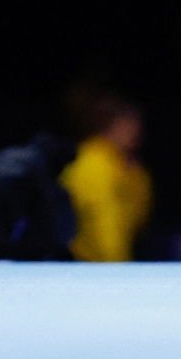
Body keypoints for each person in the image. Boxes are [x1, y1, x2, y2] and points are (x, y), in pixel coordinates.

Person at [60, 95, 153, 262]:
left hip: (113, 260)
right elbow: (104, 222)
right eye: (127, 124)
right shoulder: (94, 164)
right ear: (109, 126)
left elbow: (139, 215)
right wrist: (117, 268)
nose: (136, 132)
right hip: (90, 264)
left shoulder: (127, 166)